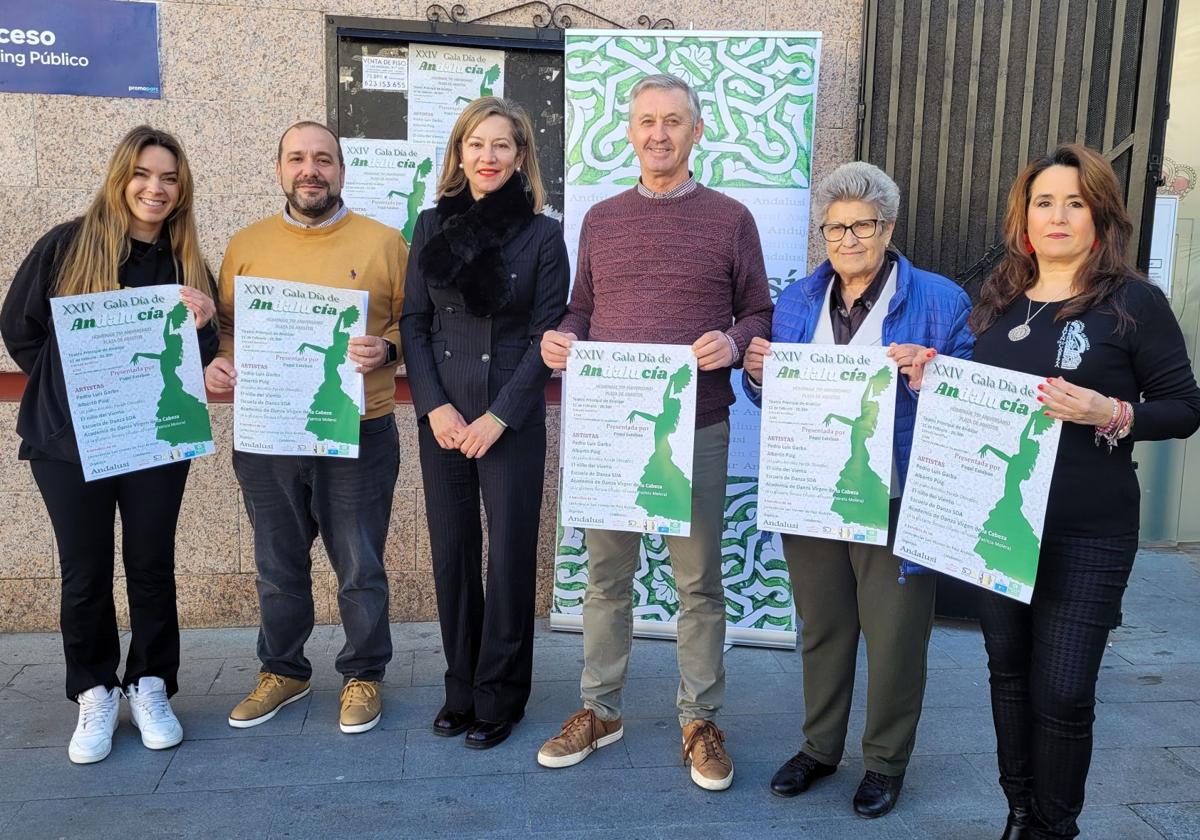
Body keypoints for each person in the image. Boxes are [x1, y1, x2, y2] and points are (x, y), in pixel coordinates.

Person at [538, 73, 773, 791]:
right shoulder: (601, 218)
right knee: (607, 578)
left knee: (698, 583)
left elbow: (760, 312)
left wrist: (734, 342)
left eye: (674, 121)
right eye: (646, 121)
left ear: (697, 131)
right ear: (630, 132)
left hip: (694, 426)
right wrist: (563, 339)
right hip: (612, 429)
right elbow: (582, 309)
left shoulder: (731, 217)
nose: (659, 133)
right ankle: (599, 709)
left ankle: (699, 719)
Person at [968, 144, 1200, 840]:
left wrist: (1113, 413)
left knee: (1064, 691)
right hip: (1000, 524)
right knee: (1008, 674)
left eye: (1075, 201)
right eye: (1044, 201)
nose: (1058, 215)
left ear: (1099, 214)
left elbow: (1186, 407)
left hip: (1088, 529)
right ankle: (1019, 814)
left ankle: (1054, 826)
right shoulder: (1001, 298)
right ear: (1025, 215)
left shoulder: (1134, 303)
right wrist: (934, 373)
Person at [742, 161, 973, 817]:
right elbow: (773, 399)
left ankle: (885, 763)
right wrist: (758, 377)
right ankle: (819, 748)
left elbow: (974, 392)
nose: (847, 238)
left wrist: (935, 377)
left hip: (897, 494)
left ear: (888, 226)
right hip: (812, 492)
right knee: (824, 627)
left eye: (862, 225)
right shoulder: (795, 301)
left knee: (896, 636)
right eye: (835, 226)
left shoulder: (938, 300)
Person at [1, 125, 219, 764]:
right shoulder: (68, 245)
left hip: (156, 435)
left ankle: (150, 684)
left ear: (182, 191)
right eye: (144, 174)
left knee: (152, 564)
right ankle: (94, 690)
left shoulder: (187, 263)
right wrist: (79, 387)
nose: (155, 188)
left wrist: (204, 327)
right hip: (69, 441)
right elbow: (20, 328)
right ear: (121, 177)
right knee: (85, 569)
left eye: (169, 178)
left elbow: (200, 360)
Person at [205, 121, 407, 735]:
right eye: (297, 158)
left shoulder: (385, 243)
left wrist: (387, 350)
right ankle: (284, 672)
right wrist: (222, 360)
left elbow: (414, 325)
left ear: (342, 171)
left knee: (359, 563)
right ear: (279, 169)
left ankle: (364, 673)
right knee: (277, 560)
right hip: (268, 432)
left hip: (359, 429)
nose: (310, 170)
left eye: (323, 159)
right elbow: (227, 329)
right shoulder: (245, 245)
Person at [401, 97, 569, 750]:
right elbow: (414, 321)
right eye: (476, 143)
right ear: (459, 152)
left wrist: (499, 416)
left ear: (521, 156)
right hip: (441, 416)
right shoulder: (428, 225)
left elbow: (544, 332)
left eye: (503, 145)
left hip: (510, 417)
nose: (488, 156)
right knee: (452, 555)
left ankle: (501, 694)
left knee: (509, 558)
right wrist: (435, 406)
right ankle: (461, 687)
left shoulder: (543, 234)